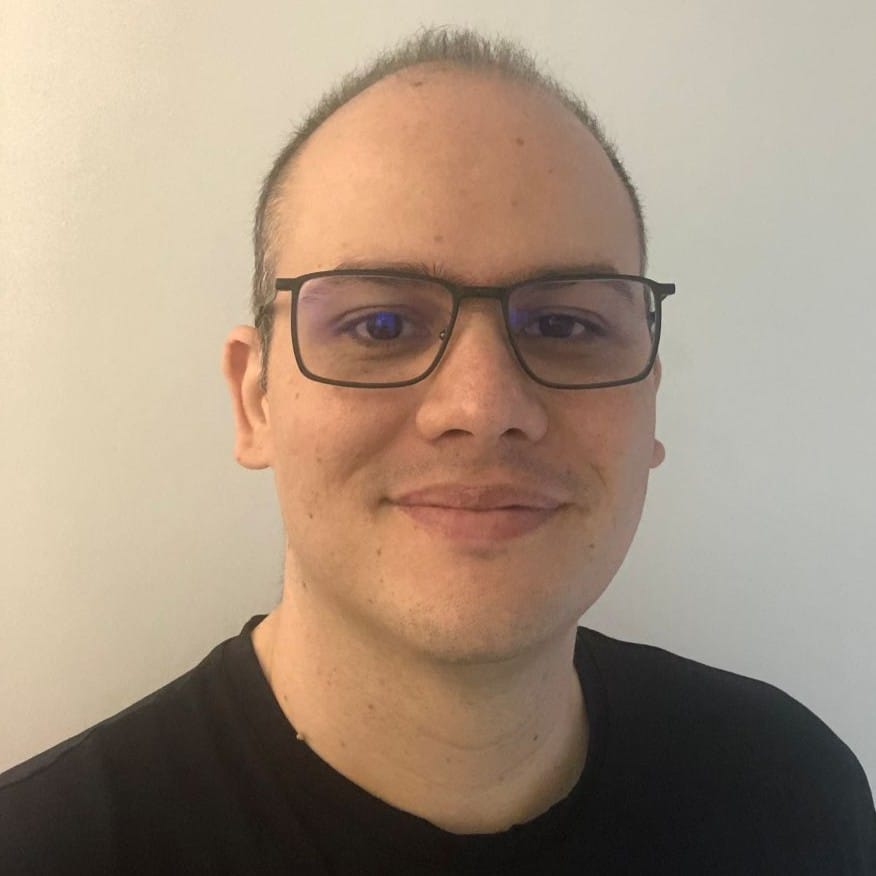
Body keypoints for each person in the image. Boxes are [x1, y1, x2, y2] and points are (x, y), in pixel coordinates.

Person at [1, 26, 874, 875]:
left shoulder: (794, 796)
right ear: (255, 401)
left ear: (649, 403)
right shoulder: (46, 851)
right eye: (380, 324)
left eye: (566, 325)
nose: (483, 407)